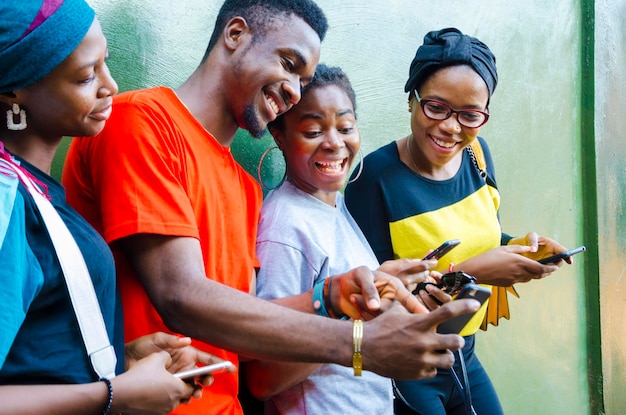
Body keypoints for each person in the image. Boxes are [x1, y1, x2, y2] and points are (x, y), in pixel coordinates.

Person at [61, 2, 480, 414]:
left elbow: (246, 324)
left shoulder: (245, 189)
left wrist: (340, 295)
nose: (294, 90)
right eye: (288, 63)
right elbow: (180, 295)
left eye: (303, 78)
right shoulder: (142, 122)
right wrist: (358, 344)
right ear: (235, 34)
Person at [0, 1, 226, 414]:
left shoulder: (34, 192)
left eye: (104, 63)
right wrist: (115, 394)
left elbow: (31, 356)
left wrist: (118, 359)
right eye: (87, 76)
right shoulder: (6, 200)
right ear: (14, 90)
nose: (111, 85)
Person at [345, 27, 571, 415]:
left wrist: (521, 248)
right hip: (407, 368)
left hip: (464, 354)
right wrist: (474, 272)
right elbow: (374, 300)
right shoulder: (372, 179)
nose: (451, 127)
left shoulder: (476, 156)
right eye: (436, 107)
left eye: (470, 115)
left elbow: (483, 235)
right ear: (411, 100)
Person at [243, 64, 452, 414]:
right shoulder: (285, 226)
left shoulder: (334, 205)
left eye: (346, 127)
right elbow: (264, 378)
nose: (335, 143)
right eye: (313, 131)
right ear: (279, 135)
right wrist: (353, 313)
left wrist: (388, 287)